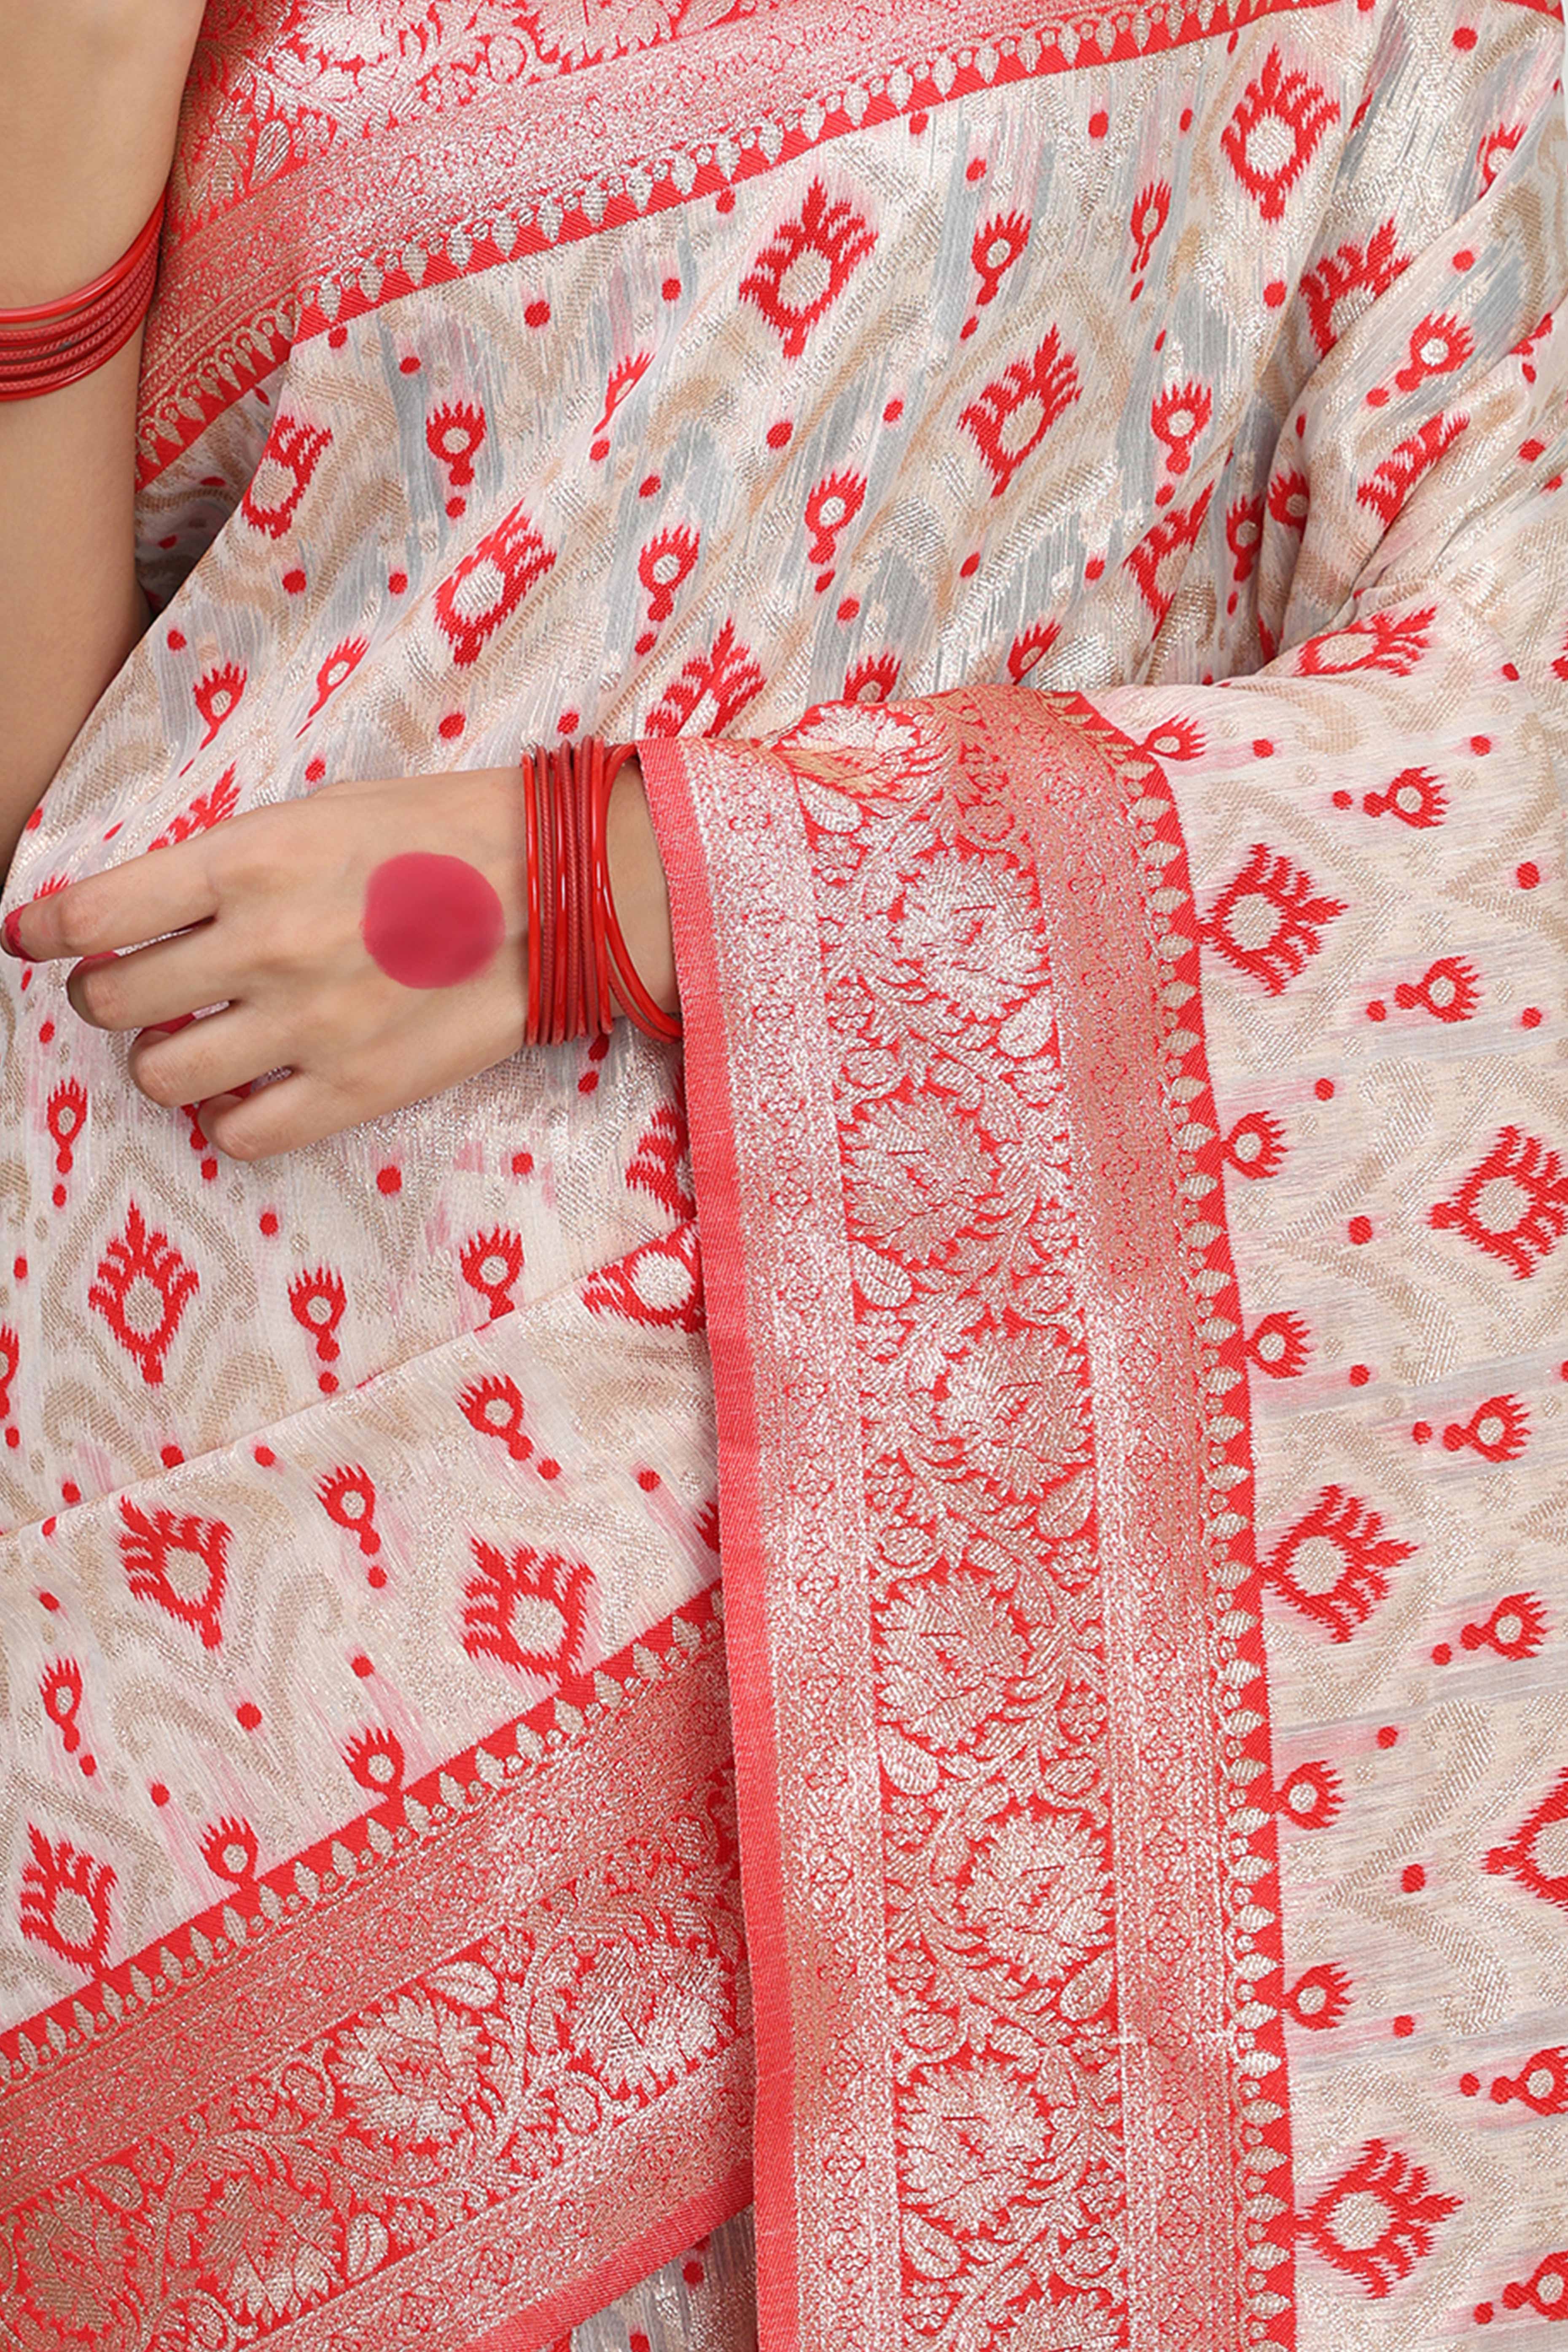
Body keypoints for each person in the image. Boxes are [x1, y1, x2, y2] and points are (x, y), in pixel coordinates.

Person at [0, 3, 1564, 2347]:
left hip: (878, 1547)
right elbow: (44, 810)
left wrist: (610, 884)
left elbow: (1490, 739)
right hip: (167, 1565)